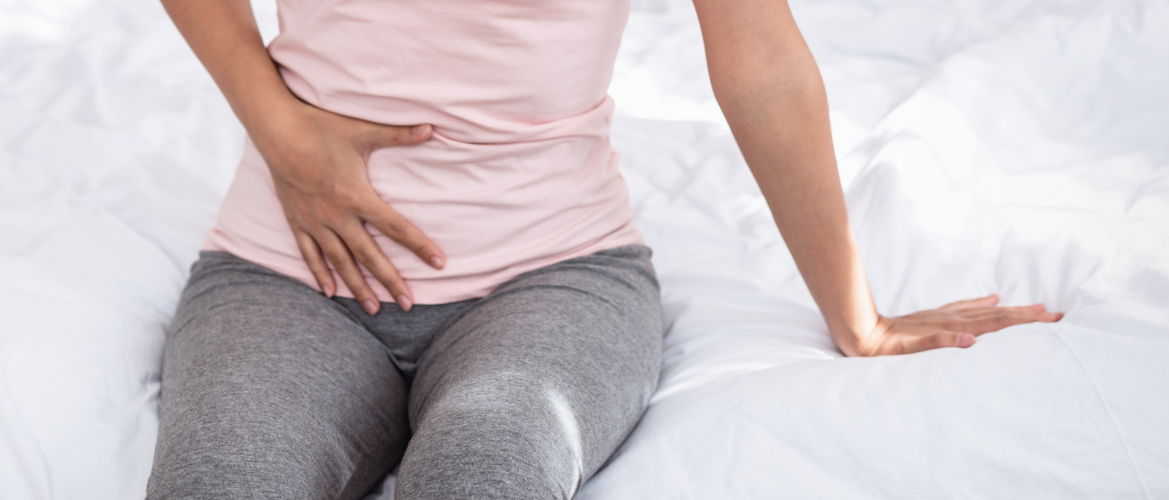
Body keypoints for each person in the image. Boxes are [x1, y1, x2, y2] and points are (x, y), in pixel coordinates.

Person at [149, 0, 1064, 498]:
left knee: (488, 474)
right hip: (284, 272)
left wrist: (856, 317)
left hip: (549, 278)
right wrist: (277, 128)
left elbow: (761, 58)